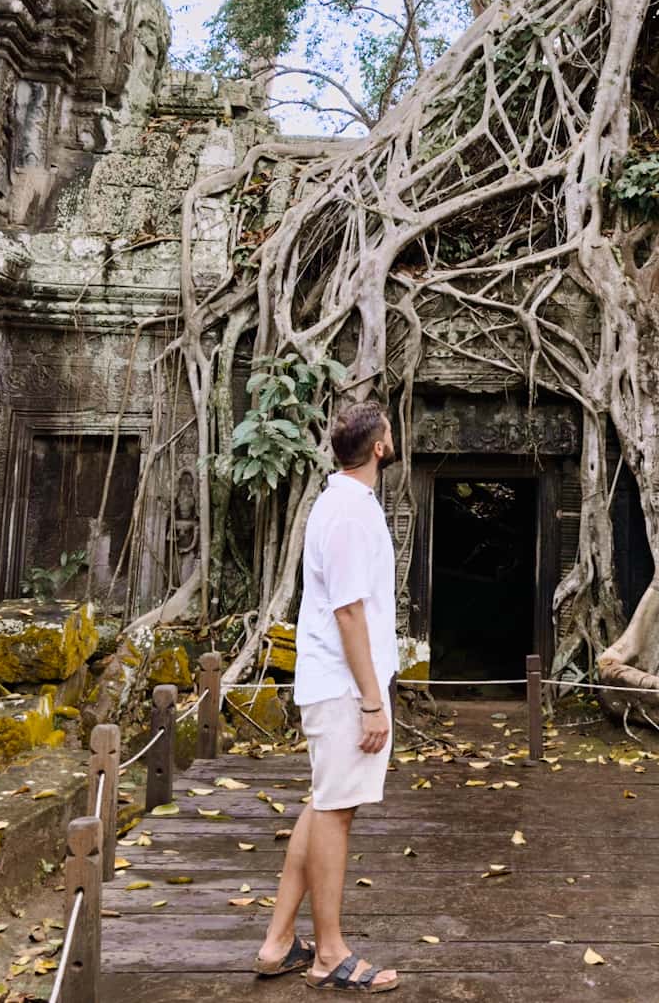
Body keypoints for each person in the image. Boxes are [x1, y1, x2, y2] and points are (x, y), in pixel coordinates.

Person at [255, 400, 402, 992]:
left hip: (338, 685)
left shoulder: (348, 504)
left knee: (323, 806)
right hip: (345, 689)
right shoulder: (346, 513)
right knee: (336, 815)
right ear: (381, 448)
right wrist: (372, 699)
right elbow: (348, 610)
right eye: (391, 431)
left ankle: (277, 943)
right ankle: (330, 955)